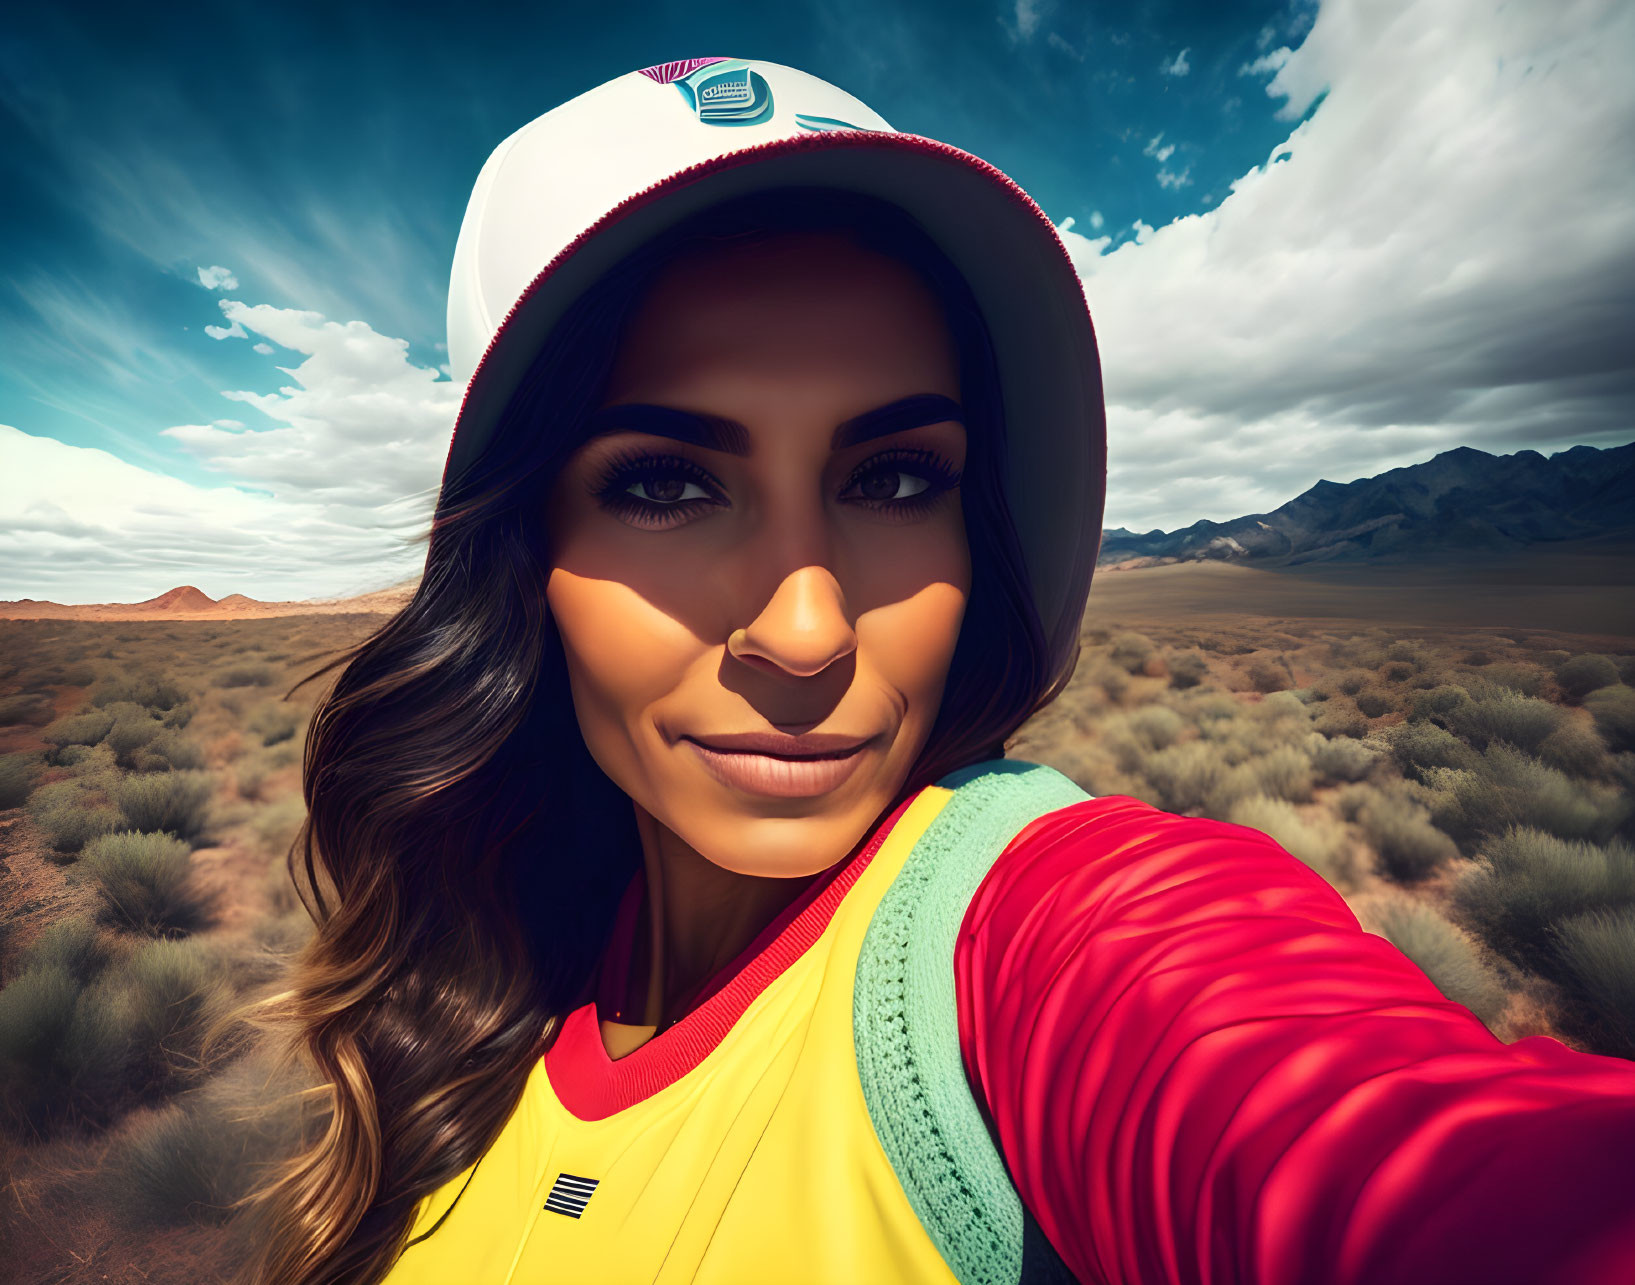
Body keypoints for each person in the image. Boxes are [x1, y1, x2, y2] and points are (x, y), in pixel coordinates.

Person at [231, 59, 1635, 1285]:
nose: (806, 629)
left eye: (895, 476)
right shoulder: (486, 989)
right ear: (524, 555)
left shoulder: (1026, 938)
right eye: (665, 484)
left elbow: (1384, 1148)